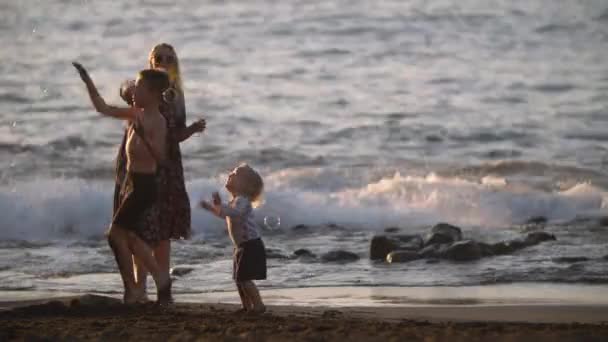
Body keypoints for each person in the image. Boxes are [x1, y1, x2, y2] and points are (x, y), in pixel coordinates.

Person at [73, 62, 172, 304]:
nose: (133, 92)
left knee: (115, 235)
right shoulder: (136, 113)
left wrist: (142, 137)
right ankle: (158, 279)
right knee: (130, 237)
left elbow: (162, 159)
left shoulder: (158, 121)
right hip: (133, 184)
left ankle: (135, 289)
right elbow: (103, 108)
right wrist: (88, 81)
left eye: (138, 88)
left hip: (146, 186)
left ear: (152, 94)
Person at [117, 43, 205, 302]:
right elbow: (124, 90)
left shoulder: (176, 95)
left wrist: (192, 129)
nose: (164, 61)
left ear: (175, 64)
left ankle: (162, 290)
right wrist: (131, 88)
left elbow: (175, 135)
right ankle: (138, 288)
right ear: (150, 62)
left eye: (170, 58)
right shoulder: (141, 87)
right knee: (138, 226)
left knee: (162, 230)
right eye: (159, 58)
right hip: (137, 162)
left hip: (166, 166)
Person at [199, 164, 267, 314]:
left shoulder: (242, 201)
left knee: (244, 278)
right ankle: (246, 306)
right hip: (241, 246)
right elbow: (225, 213)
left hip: (250, 245)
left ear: (245, 185)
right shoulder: (235, 201)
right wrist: (212, 207)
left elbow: (234, 213)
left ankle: (258, 305)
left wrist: (217, 205)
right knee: (239, 279)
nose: (230, 174)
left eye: (235, 174)